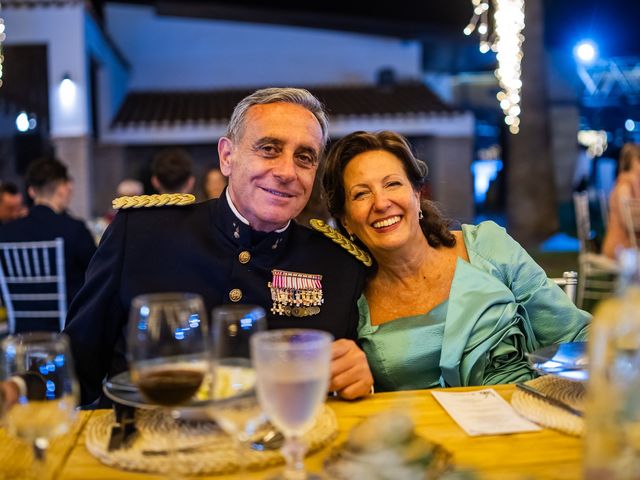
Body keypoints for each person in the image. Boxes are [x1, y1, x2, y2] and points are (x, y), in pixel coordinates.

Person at [64, 88, 373, 406]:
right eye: (268, 149)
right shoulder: (142, 234)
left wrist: (358, 381)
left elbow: (343, 384)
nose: (286, 172)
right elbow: (74, 368)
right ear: (227, 157)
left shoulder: (338, 264)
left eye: (305, 158)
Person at [322, 130, 590, 392]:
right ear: (346, 222)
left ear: (417, 195)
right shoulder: (351, 299)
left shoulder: (487, 246)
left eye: (392, 184)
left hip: (526, 418)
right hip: (424, 432)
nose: (381, 203)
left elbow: (574, 336)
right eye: (361, 194)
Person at [0, 157, 97, 331]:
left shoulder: (5, 233)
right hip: (68, 331)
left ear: (31, 192)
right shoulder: (74, 229)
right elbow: (97, 276)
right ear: (62, 188)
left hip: (22, 332)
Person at [602, 143, 640, 259]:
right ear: (633, 162)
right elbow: (627, 221)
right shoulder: (624, 186)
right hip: (620, 247)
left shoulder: (633, 185)